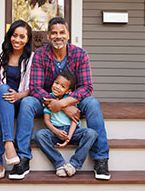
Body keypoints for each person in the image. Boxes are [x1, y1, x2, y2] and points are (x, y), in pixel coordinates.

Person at [10, 16, 111, 180]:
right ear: (48, 36)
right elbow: (36, 87)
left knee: (92, 103)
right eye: (54, 33)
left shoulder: (80, 54)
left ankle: (101, 159)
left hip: (73, 99)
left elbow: (86, 87)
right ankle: (23, 158)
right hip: (46, 99)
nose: (58, 36)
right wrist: (61, 106)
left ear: (68, 34)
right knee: (27, 102)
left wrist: (65, 102)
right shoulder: (40, 55)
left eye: (62, 32)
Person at [0, 20, 34, 179]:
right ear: (10, 36)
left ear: (27, 39)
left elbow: (32, 87)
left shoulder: (31, 58)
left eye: (22, 36)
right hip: (2, 95)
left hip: (19, 99)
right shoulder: (3, 55)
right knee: (2, 88)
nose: (17, 39)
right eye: (15, 35)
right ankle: (9, 144)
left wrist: (18, 96)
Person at [35, 70, 98, 177]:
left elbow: (75, 120)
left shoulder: (70, 100)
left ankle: (74, 165)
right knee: (39, 135)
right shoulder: (49, 99)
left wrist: (69, 136)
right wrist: (56, 131)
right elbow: (46, 120)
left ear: (68, 91)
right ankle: (59, 164)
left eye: (62, 86)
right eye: (56, 83)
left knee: (91, 133)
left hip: (72, 131)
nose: (57, 87)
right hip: (55, 131)